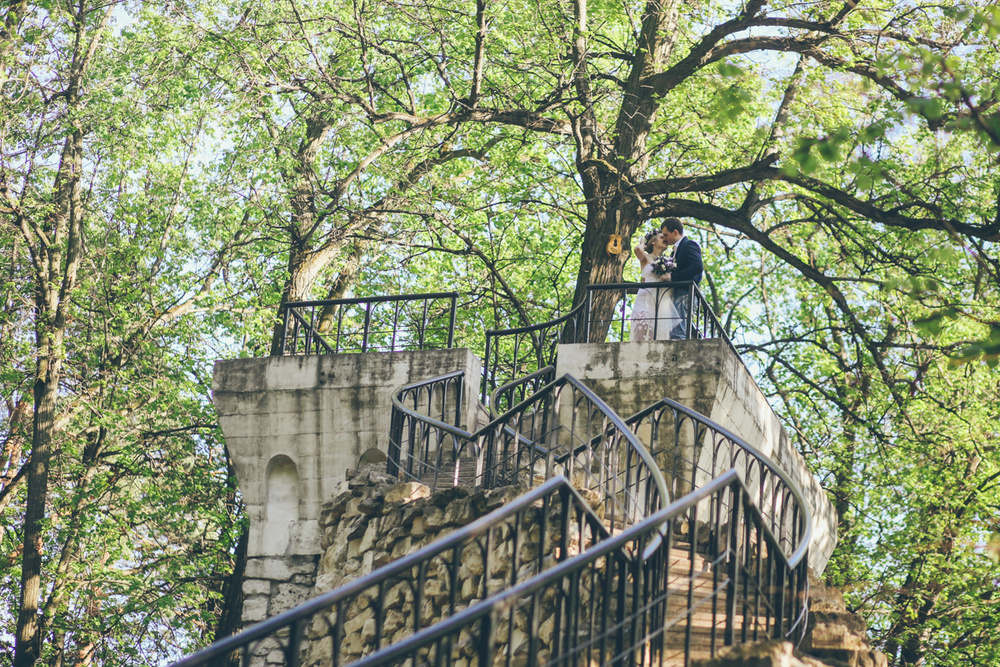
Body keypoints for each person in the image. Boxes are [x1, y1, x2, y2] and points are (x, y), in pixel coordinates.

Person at [630, 230, 680, 341]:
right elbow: (637, 249)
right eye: (662, 237)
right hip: (645, 299)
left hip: (660, 302)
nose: (665, 240)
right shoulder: (646, 258)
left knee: (658, 337)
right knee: (641, 335)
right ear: (653, 242)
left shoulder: (668, 262)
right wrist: (644, 243)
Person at [660, 217, 703, 339]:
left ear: (675, 232)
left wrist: (672, 277)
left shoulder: (689, 245)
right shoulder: (674, 252)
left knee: (678, 332)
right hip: (679, 293)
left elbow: (697, 267)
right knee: (677, 329)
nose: (664, 238)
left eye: (666, 235)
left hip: (685, 293)